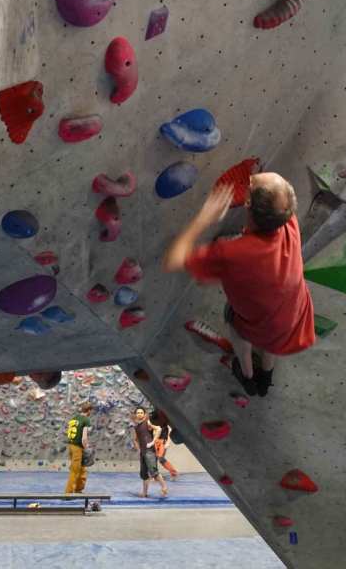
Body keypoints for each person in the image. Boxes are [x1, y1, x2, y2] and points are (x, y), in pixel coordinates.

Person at [163, 172, 315, 397]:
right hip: (294, 317)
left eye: (252, 181)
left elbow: (172, 260)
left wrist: (203, 218)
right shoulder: (288, 223)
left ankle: (247, 375)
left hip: (259, 326)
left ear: (247, 203)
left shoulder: (231, 254)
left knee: (236, 327)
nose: (252, 175)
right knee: (271, 343)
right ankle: (266, 378)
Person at [132, 407, 168, 498]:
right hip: (143, 452)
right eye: (138, 413)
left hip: (150, 451)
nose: (139, 414)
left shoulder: (147, 423)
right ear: (135, 415)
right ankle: (144, 493)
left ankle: (164, 487)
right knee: (144, 474)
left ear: (144, 414)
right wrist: (139, 449)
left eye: (141, 412)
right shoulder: (136, 427)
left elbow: (159, 429)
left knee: (153, 471)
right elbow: (135, 439)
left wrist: (152, 442)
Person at [65, 401, 93, 494]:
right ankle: (68, 492)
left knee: (82, 468)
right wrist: (86, 447)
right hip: (78, 447)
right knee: (75, 470)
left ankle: (79, 489)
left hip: (71, 445)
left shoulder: (74, 418)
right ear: (89, 411)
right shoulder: (86, 420)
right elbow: (84, 437)